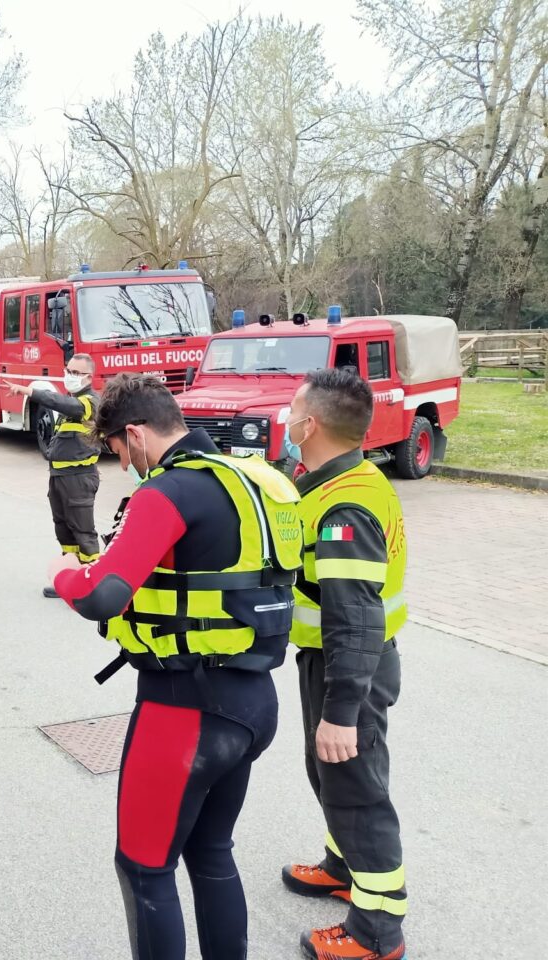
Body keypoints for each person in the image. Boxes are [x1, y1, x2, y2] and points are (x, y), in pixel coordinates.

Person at [48, 373, 303, 960]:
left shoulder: (167, 491)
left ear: (135, 434)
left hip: (183, 710)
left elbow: (103, 594)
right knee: (211, 852)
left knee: (142, 866)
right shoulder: (257, 480)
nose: (121, 464)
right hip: (253, 701)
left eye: (115, 450)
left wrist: (61, 573)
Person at [280, 369, 409, 960]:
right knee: (333, 775)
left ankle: (376, 932)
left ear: (311, 425)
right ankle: (342, 866)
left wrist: (341, 712)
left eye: (291, 410)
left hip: (349, 667)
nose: (285, 418)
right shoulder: (337, 481)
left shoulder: (345, 510)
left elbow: (355, 620)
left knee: (358, 789)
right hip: (333, 661)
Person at [2, 354, 101, 597]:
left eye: (76, 373)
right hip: (60, 476)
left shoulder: (89, 402)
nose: (70, 376)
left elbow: (59, 403)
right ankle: (70, 576)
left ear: (89, 377)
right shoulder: (73, 401)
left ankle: (93, 585)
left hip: (79, 478)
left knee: (83, 532)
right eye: (68, 370)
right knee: (64, 530)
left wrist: (29, 391)